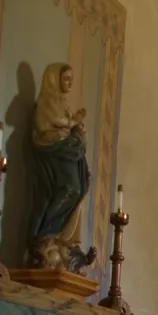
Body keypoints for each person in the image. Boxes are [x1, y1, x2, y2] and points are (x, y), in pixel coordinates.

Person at [29, 63, 95, 271]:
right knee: (69, 189)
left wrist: (78, 129)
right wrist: (73, 122)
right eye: (66, 78)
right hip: (55, 152)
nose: (69, 83)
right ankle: (46, 233)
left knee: (78, 189)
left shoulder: (63, 103)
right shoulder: (46, 101)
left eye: (71, 79)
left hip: (67, 151)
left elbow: (67, 124)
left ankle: (58, 236)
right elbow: (48, 124)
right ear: (54, 79)